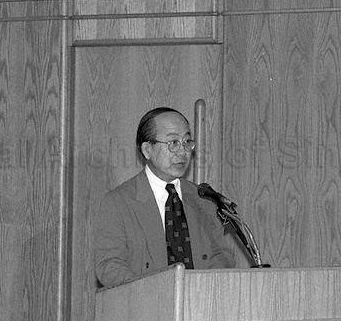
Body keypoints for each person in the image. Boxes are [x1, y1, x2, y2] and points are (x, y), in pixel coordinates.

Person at [93, 107, 236, 288]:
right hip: (145, 308)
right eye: (173, 143)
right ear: (147, 150)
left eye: (186, 141)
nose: (183, 151)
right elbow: (109, 266)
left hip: (200, 306)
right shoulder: (118, 202)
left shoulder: (204, 199)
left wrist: (204, 288)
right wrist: (152, 293)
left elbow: (222, 255)